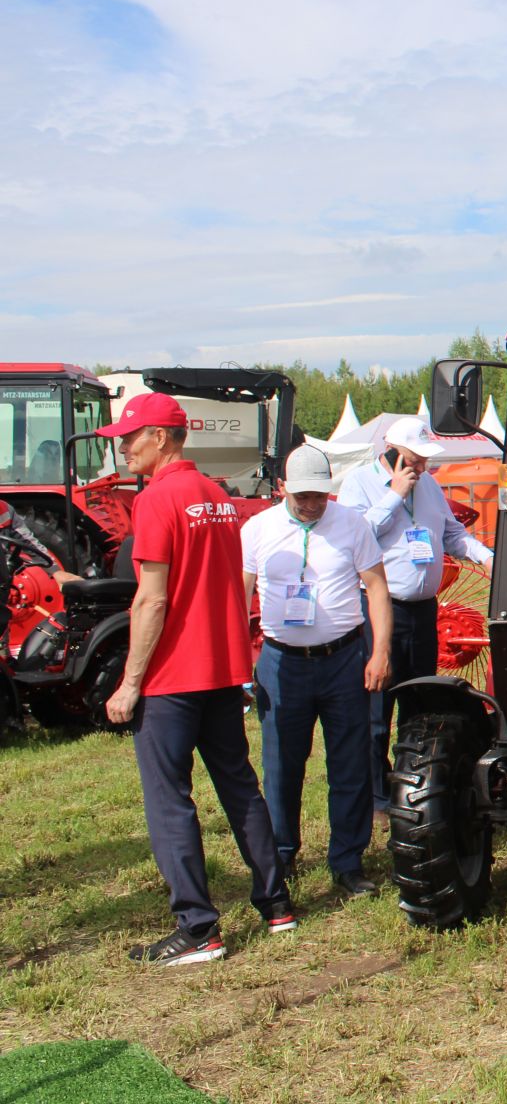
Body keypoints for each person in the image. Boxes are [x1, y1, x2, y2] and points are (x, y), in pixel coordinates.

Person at [97, 392, 292, 965]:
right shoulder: (217, 496)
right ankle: (276, 904)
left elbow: (151, 600)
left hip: (171, 677)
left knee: (168, 801)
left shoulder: (156, 501)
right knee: (239, 786)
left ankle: (198, 927)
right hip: (221, 668)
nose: (124, 448)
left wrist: (130, 682)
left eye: (130, 438)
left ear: (161, 437)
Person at [243, 445, 394, 897]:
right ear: (282, 488)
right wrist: (237, 661)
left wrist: (379, 652)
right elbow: (238, 593)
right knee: (281, 764)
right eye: (302, 496)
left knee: (350, 762)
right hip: (281, 660)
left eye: (319, 496)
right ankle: (282, 854)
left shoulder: (352, 524)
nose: (311, 505)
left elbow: (377, 588)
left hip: (344, 658)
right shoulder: (257, 529)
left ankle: (348, 861)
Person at [338, 417, 494, 814]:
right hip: (380, 608)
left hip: (423, 610)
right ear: (391, 451)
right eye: (415, 458)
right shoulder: (360, 483)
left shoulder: (429, 486)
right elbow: (356, 537)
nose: (422, 466)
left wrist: (486, 556)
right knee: (377, 705)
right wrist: (394, 495)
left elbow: (449, 534)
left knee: (418, 700)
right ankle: (374, 795)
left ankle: (409, 781)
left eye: (426, 459)